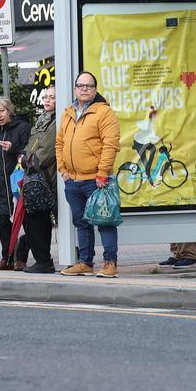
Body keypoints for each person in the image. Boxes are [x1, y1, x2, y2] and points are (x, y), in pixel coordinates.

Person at [56, 71, 122, 278]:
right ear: (75, 88)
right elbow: (59, 143)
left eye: (89, 86)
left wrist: (102, 173)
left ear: (95, 89)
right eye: (80, 86)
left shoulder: (104, 112)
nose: (84, 89)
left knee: (104, 222)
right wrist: (63, 170)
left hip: (96, 179)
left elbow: (110, 144)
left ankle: (110, 264)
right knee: (81, 223)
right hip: (73, 180)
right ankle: (85, 262)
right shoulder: (68, 112)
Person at [0, 96, 32, 270]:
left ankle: (21, 258)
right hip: (1, 186)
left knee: (23, 222)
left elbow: (28, 153)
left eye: (2, 111)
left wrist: (13, 148)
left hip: (19, 186)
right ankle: (6, 257)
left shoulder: (22, 128)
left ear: (9, 111)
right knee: (4, 222)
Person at [21, 85, 58, 273]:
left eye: (52, 97)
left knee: (38, 219)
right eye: (46, 97)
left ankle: (44, 260)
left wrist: (27, 160)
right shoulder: (42, 119)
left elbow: (45, 152)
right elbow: (31, 145)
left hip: (45, 178)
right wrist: (25, 157)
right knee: (35, 219)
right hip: (35, 176)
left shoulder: (56, 121)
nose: (47, 100)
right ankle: (42, 259)